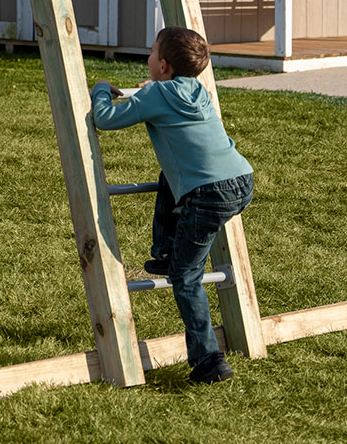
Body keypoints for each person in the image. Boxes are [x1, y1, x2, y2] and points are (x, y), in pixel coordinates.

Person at [90, 26, 254, 384]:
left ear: (163, 66)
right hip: (242, 180)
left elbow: (105, 119)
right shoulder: (199, 90)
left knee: (186, 277)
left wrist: (101, 89)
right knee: (171, 177)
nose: (147, 58)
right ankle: (165, 252)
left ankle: (209, 361)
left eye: (150, 53)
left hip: (209, 194)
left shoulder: (156, 95)